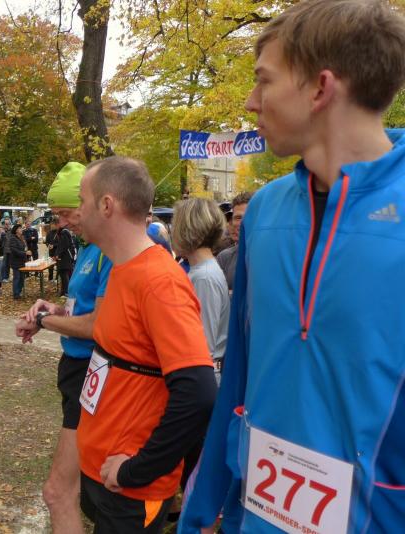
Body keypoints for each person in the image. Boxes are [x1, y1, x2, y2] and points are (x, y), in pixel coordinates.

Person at [181, 2, 405, 533]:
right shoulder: (264, 211)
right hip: (254, 518)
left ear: (320, 88)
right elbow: (239, 373)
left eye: (264, 80)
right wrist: (203, 507)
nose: (250, 101)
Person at [74, 156, 216, 533]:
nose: (77, 211)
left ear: (107, 205)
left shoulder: (160, 282)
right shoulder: (122, 268)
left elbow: (198, 392)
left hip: (131, 490)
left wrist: (139, 469)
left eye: (82, 200)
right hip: (104, 474)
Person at [14, 161, 113, 534]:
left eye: (67, 213)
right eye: (56, 215)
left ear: (90, 205)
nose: (61, 223)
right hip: (76, 371)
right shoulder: (88, 249)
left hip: (94, 372)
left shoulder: (107, 252)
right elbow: (81, 310)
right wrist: (54, 310)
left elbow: (99, 325)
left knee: (61, 492)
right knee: (85, 493)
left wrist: (43, 320)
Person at [172, 198, 230, 385]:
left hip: (200, 379)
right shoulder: (203, 272)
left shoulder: (204, 277)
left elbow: (204, 344)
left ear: (188, 230)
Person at [216, 192, 253, 291]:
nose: (242, 223)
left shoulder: (274, 257)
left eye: (248, 217)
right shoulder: (224, 257)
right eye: (238, 218)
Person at [54, 221, 75, 297]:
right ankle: (64, 291)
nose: (55, 226)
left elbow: (63, 245)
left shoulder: (64, 232)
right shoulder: (65, 231)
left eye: (56, 224)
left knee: (64, 274)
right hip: (66, 256)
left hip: (65, 257)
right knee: (65, 274)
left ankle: (66, 291)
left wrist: (57, 255)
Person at [8, 224, 30, 299]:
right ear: (16, 230)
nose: (21, 229)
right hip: (15, 261)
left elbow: (24, 247)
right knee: (17, 278)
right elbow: (14, 250)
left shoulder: (22, 238)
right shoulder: (12, 238)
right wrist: (25, 253)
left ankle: (19, 291)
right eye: (20, 228)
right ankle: (16, 294)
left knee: (22, 278)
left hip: (22, 261)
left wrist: (27, 253)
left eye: (21, 228)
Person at [0, 218, 12, 283]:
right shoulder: (2, 232)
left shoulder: (12, 231)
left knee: (8, 265)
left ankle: (7, 277)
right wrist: (2, 234)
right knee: (3, 265)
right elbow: (0, 241)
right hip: (4, 250)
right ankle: (3, 277)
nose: (6, 225)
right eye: (5, 224)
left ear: (10, 224)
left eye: (7, 224)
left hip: (10, 250)